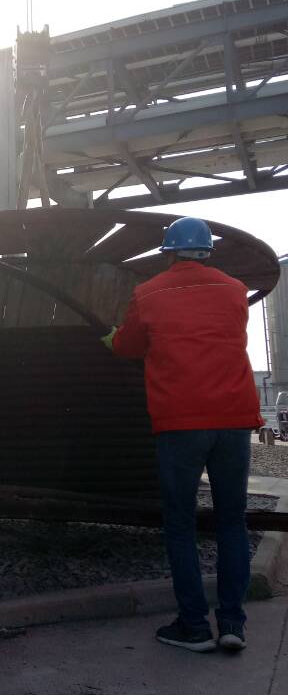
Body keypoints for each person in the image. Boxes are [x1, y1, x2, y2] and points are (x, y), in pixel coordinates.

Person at [102, 216, 263, 653]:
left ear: (169, 253)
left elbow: (131, 347)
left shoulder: (148, 293)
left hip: (181, 422)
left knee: (180, 524)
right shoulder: (235, 290)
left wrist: (112, 339)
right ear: (207, 251)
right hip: (234, 418)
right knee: (232, 521)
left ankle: (193, 626)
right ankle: (232, 625)